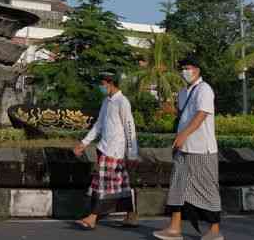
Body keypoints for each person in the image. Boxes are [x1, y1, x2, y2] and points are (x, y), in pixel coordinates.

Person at [153, 58, 224, 240]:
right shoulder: (183, 92)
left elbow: (202, 114)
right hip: (183, 148)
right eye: (183, 68)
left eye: (188, 68)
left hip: (202, 149)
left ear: (197, 70)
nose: (185, 71)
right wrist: (179, 137)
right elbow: (182, 115)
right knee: (177, 187)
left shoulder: (204, 89)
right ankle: (174, 228)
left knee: (206, 188)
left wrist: (184, 134)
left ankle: (214, 231)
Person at [73, 71, 138, 230]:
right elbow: (98, 125)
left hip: (115, 150)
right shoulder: (106, 102)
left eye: (102, 84)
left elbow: (129, 128)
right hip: (104, 147)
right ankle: (131, 215)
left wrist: (132, 153)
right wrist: (84, 143)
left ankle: (92, 217)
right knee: (120, 184)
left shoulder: (122, 102)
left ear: (110, 83)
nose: (101, 87)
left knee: (102, 185)